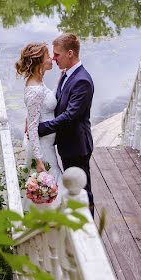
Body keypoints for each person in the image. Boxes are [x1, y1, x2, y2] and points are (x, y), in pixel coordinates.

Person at [38, 32, 95, 215]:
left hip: (77, 147)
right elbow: (56, 103)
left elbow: (70, 115)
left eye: (57, 54)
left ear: (70, 53)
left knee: (83, 191)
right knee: (72, 188)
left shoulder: (82, 81)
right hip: (66, 144)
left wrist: (43, 128)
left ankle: (90, 230)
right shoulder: (66, 75)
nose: (54, 59)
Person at [15, 42, 62, 200]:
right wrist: (39, 161)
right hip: (42, 149)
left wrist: (61, 80)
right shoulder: (34, 90)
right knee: (47, 188)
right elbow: (33, 128)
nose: (52, 59)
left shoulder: (38, 81)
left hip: (46, 145)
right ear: (39, 62)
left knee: (49, 190)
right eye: (48, 56)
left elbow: (43, 103)